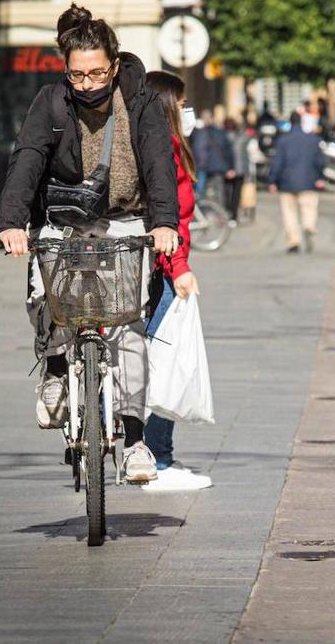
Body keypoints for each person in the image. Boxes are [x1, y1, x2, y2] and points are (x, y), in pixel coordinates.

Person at [0, 2, 180, 484]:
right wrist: (12, 222)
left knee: (129, 326)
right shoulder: (51, 101)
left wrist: (164, 223)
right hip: (65, 216)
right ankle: (56, 366)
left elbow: (159, 162)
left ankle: (136, 441)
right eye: (77, 76)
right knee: (46, 296)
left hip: (125, 218)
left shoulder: (140, 101)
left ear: (115, 65)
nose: (88, 84)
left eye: (98, 73)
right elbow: (28, 158)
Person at [140, 71, 212, 491]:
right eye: (182, 104)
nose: (188, 112)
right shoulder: (163, 149)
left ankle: (152, 455)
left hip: (158, 264)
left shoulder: (163, 146)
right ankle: (157, 461)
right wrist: (179, 267)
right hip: (163, 264)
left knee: (151, 359)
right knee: (161, 363)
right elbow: (168, 218)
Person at [268, 111, 327, 253]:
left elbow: (277, 162)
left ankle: (294, 241)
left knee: (289, 213)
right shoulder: (312, 139)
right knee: (309, 208)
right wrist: (320, 178)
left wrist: (273, 180)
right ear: (301, 122)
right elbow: (320, 161)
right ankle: (308, 226)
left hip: (287, 183)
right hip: (309, 181)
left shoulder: (283, 140)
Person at [192, 110, 237, 200]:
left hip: (203, 167)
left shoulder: (197, 132)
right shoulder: (219, 132)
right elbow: (228, 151)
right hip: (216, 167)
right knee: (217, 193)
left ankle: (209, 211)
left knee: (202, 194)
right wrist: (230, 168)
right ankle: (217, 211)